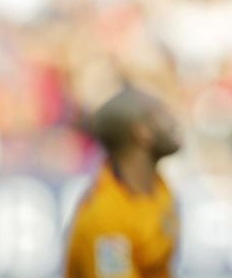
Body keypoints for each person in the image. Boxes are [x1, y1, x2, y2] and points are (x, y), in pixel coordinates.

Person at [65, 86, 181, 278]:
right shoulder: (106, 218)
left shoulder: (158, 186)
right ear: (141, 133)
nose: (174, 123)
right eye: (162, 115)